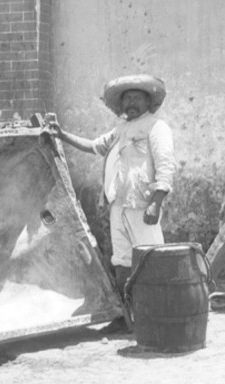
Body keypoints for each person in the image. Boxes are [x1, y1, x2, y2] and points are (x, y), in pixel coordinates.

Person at [51, 74, 177, 310]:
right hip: (117, 207)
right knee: (121, 261)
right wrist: (60, 134)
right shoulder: (119, 131)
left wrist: (156, 203)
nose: (131, 102)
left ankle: (158, 313)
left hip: (143, 206)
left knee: (152, 258)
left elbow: (166, 166)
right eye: (127, 98)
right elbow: (93, 146)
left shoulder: (157, 127)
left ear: (148, 102)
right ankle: (127, 316)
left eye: (137, 97)